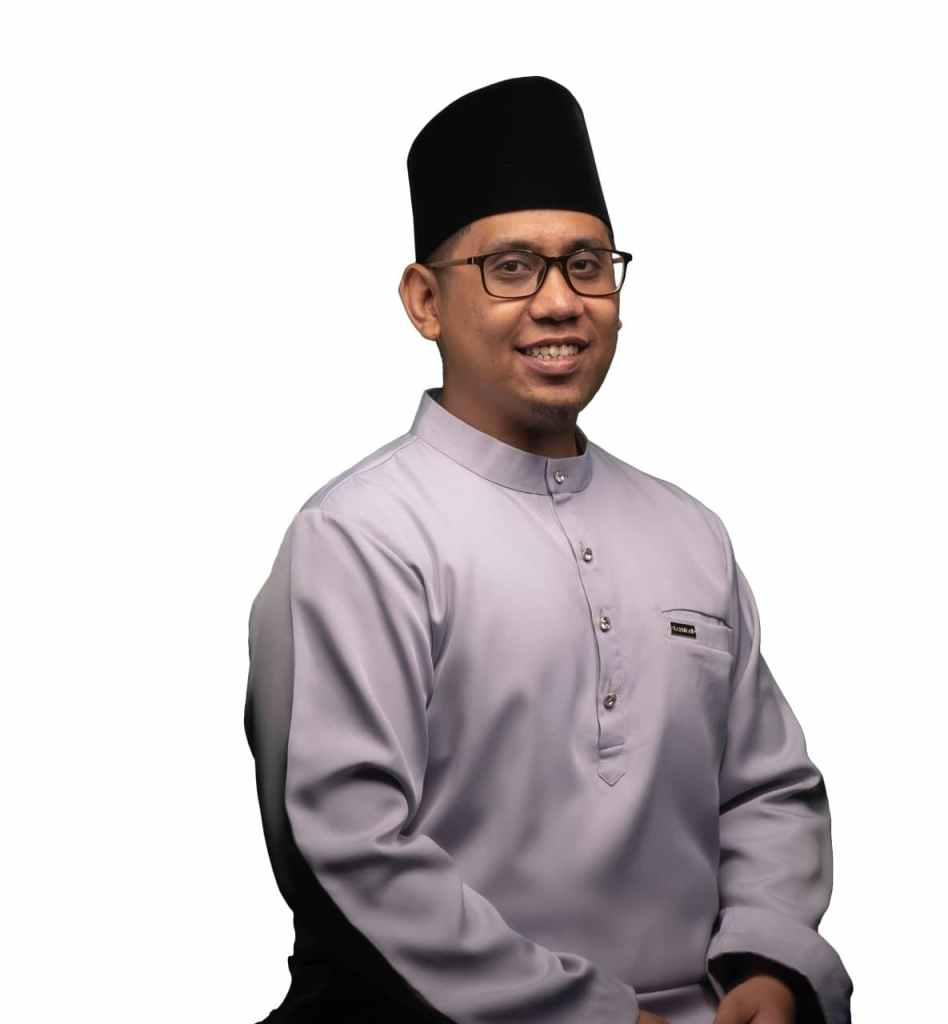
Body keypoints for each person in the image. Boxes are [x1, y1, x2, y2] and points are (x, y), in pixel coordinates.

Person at [244, 75, 853, 1024]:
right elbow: (352, 847)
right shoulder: (362, 535)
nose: (561, 302)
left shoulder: (689, 531)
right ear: (425, 301)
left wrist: (768, 967)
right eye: (512, 267)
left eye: (587, 265)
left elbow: (767, 788)